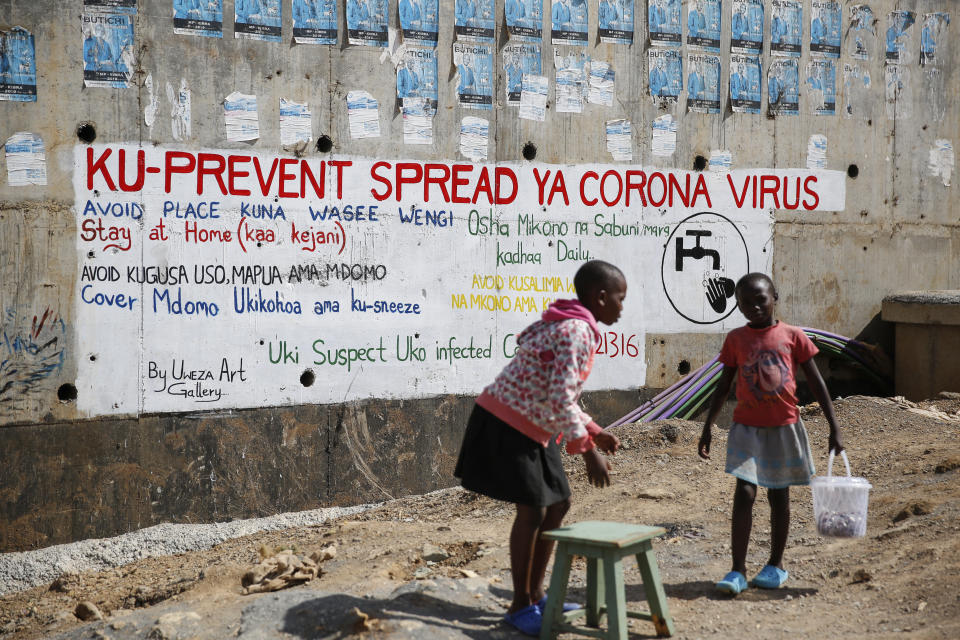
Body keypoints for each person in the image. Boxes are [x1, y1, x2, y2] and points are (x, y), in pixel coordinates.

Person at [455, 260, 625, 636]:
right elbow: (561, 399)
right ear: (600, 297)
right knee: (532, 509)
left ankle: (535, 594)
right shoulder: (577, 330)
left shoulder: (571, 323)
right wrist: (589, 451)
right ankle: (520, 605)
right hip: (508, 423)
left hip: (534, 424)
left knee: (559, 502)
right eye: (619, 298)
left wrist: (594, 431)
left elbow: (560, 394)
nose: (621, 307)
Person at [697, 273, 843, 596]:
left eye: (760, 299)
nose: (754, 307)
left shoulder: (793, 336)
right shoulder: (736, 339)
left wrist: (834, 427)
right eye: (745, 303)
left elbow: (817, 383)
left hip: (783, 427)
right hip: (746, 429)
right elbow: (724, 386)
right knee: (744, 493)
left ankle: (775, 564)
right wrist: (708, 425)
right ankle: (737, 570)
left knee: (779, 494)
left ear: (775, 296)